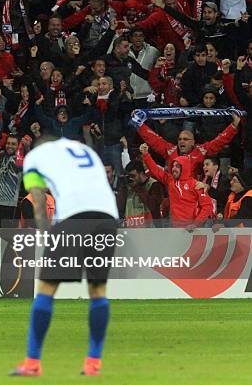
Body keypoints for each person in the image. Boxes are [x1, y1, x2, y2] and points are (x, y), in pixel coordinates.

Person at [12, 137, 119, 377]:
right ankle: (93, 364)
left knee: (47, 288)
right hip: (108, 216)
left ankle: (32, 363)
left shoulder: (33, 158)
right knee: (98, 290)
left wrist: (46, 234)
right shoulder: (84, 149)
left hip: (73, 214)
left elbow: (37, 200)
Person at [140, 143, 214, 228]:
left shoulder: (196, 185)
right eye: (173, 166)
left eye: (177, 166)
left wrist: (195, 224)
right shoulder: (170, 180)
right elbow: (155, 170)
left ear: (185, 168)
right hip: (175, 229)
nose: (174, 169)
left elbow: (208, 206)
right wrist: (145, 154)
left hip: (193, 230)